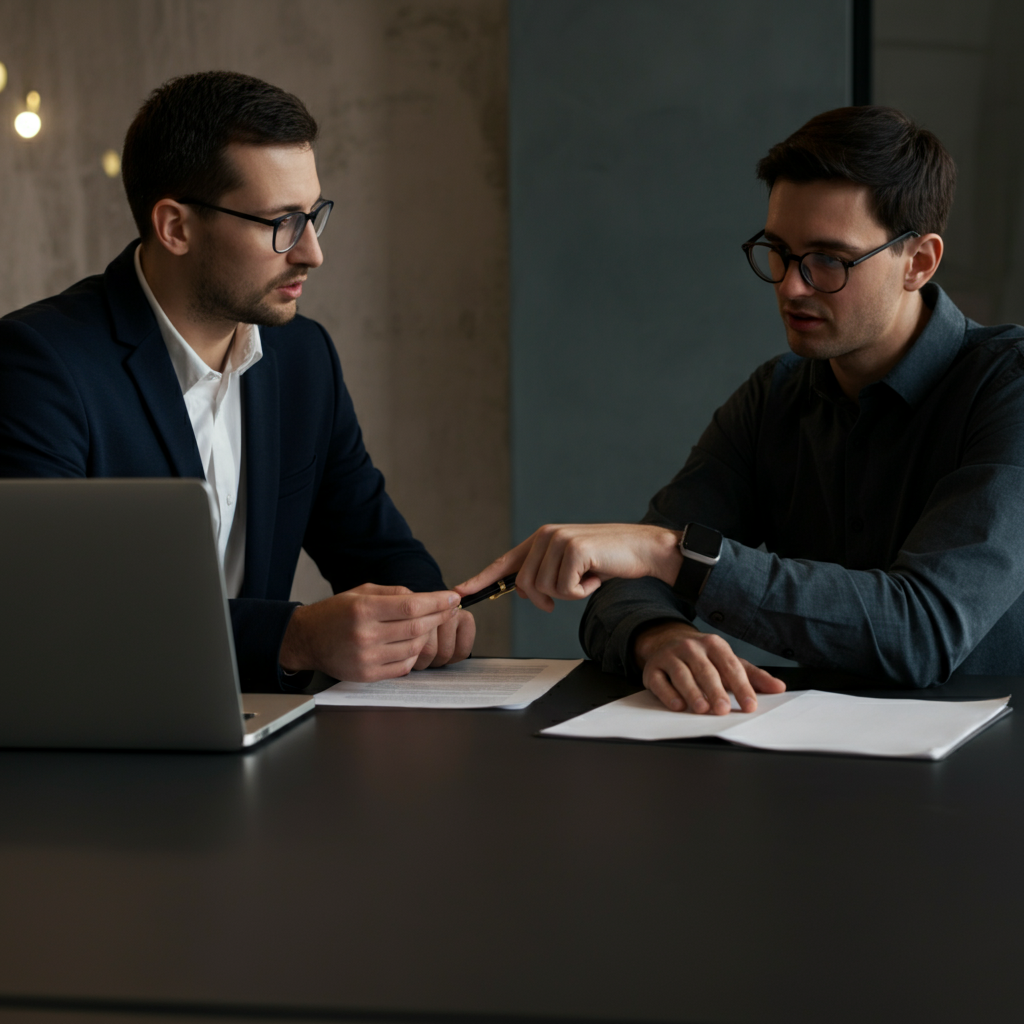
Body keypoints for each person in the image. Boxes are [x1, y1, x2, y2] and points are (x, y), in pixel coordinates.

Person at [458, 105, 1024, 715]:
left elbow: (926, 629)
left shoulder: (1007, 388)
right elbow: (630, 580)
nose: (790, 286)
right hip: (807, 764)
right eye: (779, 250)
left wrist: (673, 554)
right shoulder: (774, 396)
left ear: (918, 262)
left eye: (829, 259)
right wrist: (661, 636)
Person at [0, 71, 475, 690]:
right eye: (281, 222)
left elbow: (373, 543)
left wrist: (434, 612)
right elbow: (43, 614)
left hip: (262, 741)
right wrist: (296, 637)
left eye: (314, 215)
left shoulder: (303, 356)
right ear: (175, 227)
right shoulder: (39, 365)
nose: (311, 252)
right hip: (95, 752)